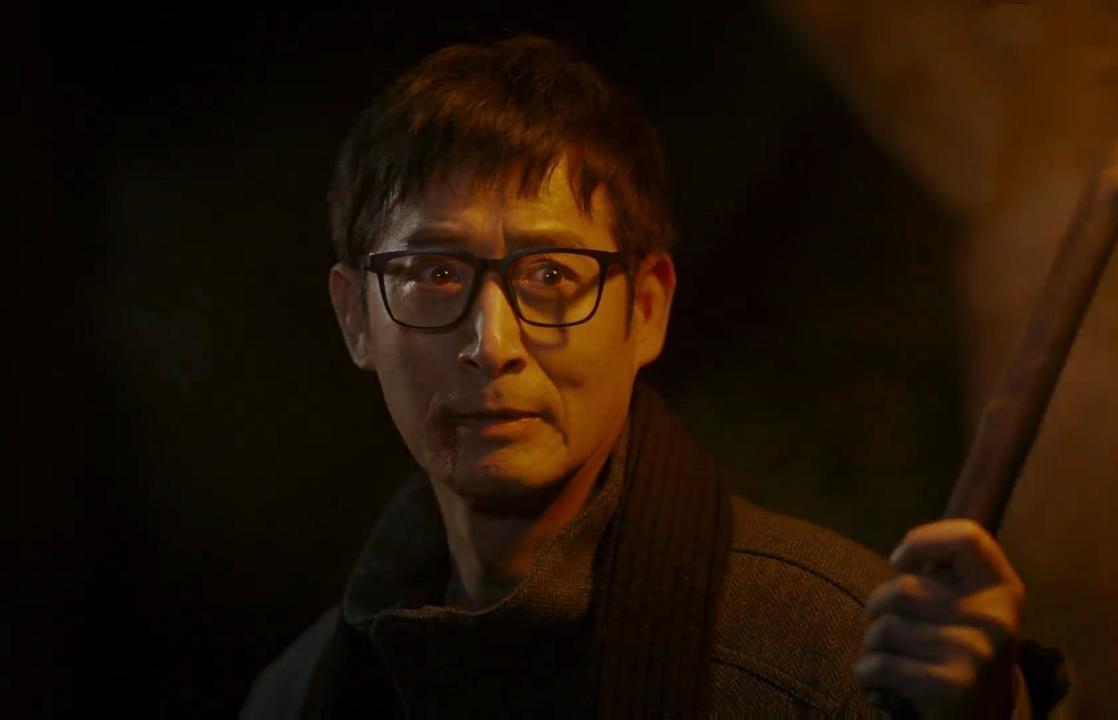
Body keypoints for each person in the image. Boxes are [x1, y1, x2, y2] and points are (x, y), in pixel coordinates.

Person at [242, 35, 1041, 718]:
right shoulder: (306, 694)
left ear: (648, 307)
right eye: (435, 274)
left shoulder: (832, 659)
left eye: (551, 276)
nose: (492, 344)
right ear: (355, 317)